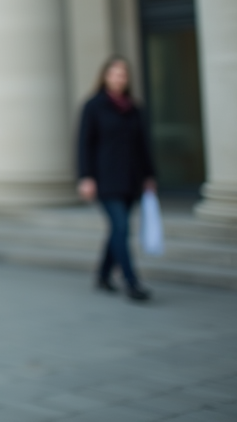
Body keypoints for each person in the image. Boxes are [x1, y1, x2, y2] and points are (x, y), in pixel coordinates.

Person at [77, 56, 156, 302]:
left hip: (132, 179)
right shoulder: (93, 106)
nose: (119, 78)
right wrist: (86, 177)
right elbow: (83, 145)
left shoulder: (134, 108)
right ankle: (131, 282)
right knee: (121, 227)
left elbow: (143, 145)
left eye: (123, 74)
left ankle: (102, 275)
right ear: (105, 76)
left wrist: (149, 175)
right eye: (115, 73)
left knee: (117, 230)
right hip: (106, 179)